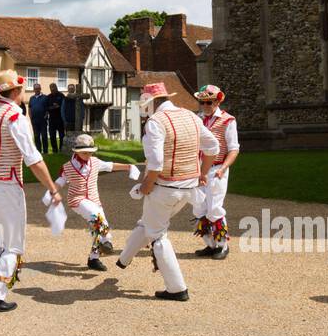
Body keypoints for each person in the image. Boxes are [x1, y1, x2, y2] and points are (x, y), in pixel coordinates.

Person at [0, 70, 62, 313]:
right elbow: (33, 158)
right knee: (14, 246)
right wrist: (52, 188)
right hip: (5, 185)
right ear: (17, 91)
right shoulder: (14, 116)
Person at [115, 81, 220, 301]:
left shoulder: (155, 122)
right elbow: (213, 147)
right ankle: (123, 259)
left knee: (158, 235)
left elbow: (155, 163)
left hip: (165, 188)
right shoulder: (191, 116)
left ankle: (176, 288)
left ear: (151, 103)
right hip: (189, 188)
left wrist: (145, 187)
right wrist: (202, 172)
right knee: (150, 222)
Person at [54, 134, 136, 270]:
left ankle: (93, 258)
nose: (87, 155)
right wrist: (53, 191)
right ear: (76, 152)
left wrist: (128, 167)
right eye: (84, 153)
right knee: (96, 215)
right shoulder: (67, 167)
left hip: (94, 199)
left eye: (90, 152)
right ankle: (107, 239)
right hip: (77, 199)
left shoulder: (95, 162)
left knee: (97, 224)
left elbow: (110, 166)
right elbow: (60, 181)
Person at [192, 84, 240, 259]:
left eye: (209, 102)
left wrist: (223, 168)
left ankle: (222, 245)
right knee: (198, 208)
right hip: (198, 170)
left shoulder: (228, 120)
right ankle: (210, 244)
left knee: (214, 209)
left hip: (216, 168)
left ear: (218, 101)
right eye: (202, 102)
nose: (205, 105)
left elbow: (234, 149)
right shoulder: (196, 119)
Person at [28, 84, 49, 153]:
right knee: (36, 136)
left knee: (44, 136)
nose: (37, 90)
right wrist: (30, 118)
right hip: (34, 120)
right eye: (35, 88)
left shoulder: (45, 97)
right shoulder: (31, 98)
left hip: (43, 120)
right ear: (34, 90)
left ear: (40, 89)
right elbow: (30, 108)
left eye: (38, 88)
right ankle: (38, 151)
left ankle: (45, 151)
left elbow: (47, 108)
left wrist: (46, 115)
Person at [45, 83, 66, 152]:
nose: (53, 89)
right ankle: (55, 150)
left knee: (61, 135)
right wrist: (53, 107)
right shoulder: (48, 97)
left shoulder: (61, 95)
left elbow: (64, 106)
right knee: (52, 136)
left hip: (60, 119)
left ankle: (61, 149)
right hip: (52, 119)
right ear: (50, 89)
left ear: (56, 87)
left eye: (54, 87)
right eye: (51, 88)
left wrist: (58, 106)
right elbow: (46, 107)